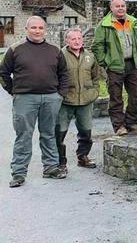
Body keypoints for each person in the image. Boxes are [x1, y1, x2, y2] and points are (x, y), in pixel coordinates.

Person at [0, 16, 69, 187]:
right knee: (23, 135)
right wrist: (14, 91)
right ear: (26, 29)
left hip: (51, 98)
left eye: (40, 28)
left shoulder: (55, 50)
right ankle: (18, 173)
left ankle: (51, 167)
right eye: (33, 28)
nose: (37, 31)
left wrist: (60, 94)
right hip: (25, 99)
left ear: (44, 29)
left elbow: (64, 74)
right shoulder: (15, 49)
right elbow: (3, 73)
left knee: (49, 134)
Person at [92, 0, 137, 136]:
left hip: (133, 64)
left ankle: (132, 122)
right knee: (116, 97)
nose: (121, 8)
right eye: (117, 6)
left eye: (123, 5)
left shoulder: (133, 22)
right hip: (115, 66)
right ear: (111, 8)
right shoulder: (104, 25)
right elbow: (97, 46)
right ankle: (119, 126)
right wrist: (105, 62)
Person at [56, 28, 100, 173]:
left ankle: (83, 156)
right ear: (66, 41)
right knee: (59, 132)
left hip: (86, 100)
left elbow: (96, 76)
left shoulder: (89, 56)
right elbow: (54, 76)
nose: (77, 41)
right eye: (73, 39)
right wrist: (59, 94)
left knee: (86, 131)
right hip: (65, 100)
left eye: (79, 38)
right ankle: (60, 162)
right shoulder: (59, 56)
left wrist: (94, 91)